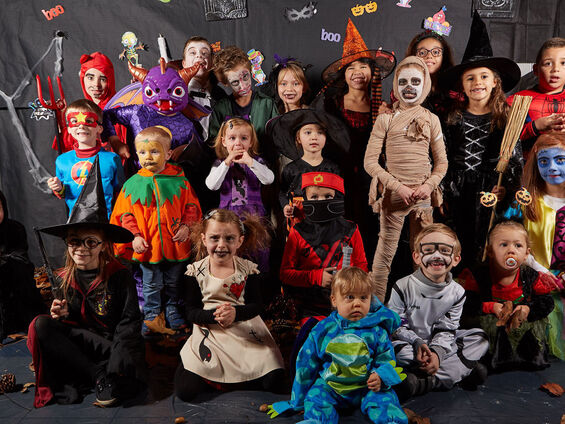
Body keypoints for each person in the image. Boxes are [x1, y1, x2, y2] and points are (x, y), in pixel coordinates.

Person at [27, 159, 145, 408]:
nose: (81, 249)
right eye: (74, 242)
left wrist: (118, 354)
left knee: (128, 375)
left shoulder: (119, 274)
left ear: (104, 245)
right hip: (82, 347)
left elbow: (129, 322)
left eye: (90, 242)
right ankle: (96, 375)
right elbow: (69, 328)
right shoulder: (63, 277)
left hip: (112, 344)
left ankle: (106, 373)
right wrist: (60, 315)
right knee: (41, 325)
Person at [267, 267, 407, 424]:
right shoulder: (323, 329)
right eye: (350, 297)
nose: (357, 304)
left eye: (363, 298)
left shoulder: (377, 330)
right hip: (331, 386)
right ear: (334, 300)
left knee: (385, 400)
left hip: (366, 386)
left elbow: (386, 358)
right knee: (316, 398)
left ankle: (391, 421)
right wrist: (298, 399)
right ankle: (317, 421)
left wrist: (380, 375)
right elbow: (306, 363)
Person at [174, 209, 284, 401]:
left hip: (244, 328)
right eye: (214, 238)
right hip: (209, 331)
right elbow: (190, 311)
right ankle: (220, 377)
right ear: (204, 239)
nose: (221, 245)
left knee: (276, 381)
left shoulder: (248, 270)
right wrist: (212, 316)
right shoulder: (195, 271)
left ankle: (240, 377)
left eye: (229, 239)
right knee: (186, 390)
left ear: (239, 241)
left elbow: (257, 305)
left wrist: (235, 313)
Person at [441, 11, 523, 269]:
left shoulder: (507, 118)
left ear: (495, 81)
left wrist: (506, 188)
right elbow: (441, 155)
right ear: (462, 86)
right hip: (457, 189)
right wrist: (441, 190)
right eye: (470, 78)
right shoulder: (452, 118)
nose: (477, 82)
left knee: (488, 246)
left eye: (484, 76)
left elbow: (514, 158)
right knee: (458, 243)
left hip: (491, 189)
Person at [364, 55, 448, 301]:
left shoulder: (431, 120)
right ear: (395, 86)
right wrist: (396, 186)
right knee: (383, 257)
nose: (409, 87)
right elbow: (370, 162)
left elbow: (441, 163)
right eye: (403, 82)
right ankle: (377, 310)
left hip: (422, 198)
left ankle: (420, 308)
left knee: (423, 252)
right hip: (393, 196)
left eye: (415, 81)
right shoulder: (385, 119)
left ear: (425, 85)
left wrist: (429, 186)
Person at [313, 19, 396, 260]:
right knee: (337, 228)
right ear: (343, 75)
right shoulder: (330, 104)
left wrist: (385, 122)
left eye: (363, 67)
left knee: (368, 228)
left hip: (369, 179)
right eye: (351, 68)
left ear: (373, 72)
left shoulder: (381, 108)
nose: (357, 73)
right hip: (337, 177)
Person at [110, 126, 202, 335]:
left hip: (175, 245)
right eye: (142, 152)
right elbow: (125, 215)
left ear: (168, 154)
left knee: (173, 281)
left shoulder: (180, 181)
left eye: (155, 151)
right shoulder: (133, 184)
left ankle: (172, 310)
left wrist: (187, 227)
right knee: (151, 284)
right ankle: (151, 315)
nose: (148, 157)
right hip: (148, 247)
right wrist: (134, 236)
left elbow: (192, 207)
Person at [387, 224, 489, 400]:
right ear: (417, 257)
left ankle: (426, 381)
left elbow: (448, 329)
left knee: (480, 338)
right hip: (410, 345)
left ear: (456, 259)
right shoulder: (402, 286)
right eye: (428, 250)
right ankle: (459, 370)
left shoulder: (457, 292)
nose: (436, 256)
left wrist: (436, 354)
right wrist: (418, 342)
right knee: (395, 352)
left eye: (444, 250)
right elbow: (396, 326)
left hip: (440, 345)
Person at [460, 220, 554, 371]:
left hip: (520, 321)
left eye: (518, 246)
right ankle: (493, 360)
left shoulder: (530, 275)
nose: (511, 251)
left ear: (526, 254)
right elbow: (467, 303)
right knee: (486, 326)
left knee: (533, 328)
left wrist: (528, 309)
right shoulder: (479, 275)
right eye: (504, 245)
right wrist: (490, 306)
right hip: (493, 324)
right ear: (490, 251)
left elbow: (547, 301)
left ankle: (525, 357)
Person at [504, 132, 565, 359]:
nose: (552, 167)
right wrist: (541, 271)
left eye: (560, 160)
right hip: (533, 278)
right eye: (544, 161)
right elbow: (511, 243)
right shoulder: (526, 201)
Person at [280, 172, 368, 319]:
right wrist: (316, 276)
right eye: (314, 197)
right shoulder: (298, 232)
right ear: (306, 199)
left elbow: (361, 265)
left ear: (337, 197)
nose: (321, 202)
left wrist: (350, 281)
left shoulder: (351, 229)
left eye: (328, 196)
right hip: (311, 308)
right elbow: (285, 274)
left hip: (348, 305)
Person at [266, 108, 347, 225]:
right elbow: (283, 193)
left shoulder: (332, 168)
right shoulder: (291, 169)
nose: (314, 137)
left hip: (326, 219)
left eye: (320, 132)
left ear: (326, 137)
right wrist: (286, 206)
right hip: (299, 218)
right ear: (298, 138)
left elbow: (340, 196)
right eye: (308, 132)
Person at [47, 99, 124, 217]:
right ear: (68, 128)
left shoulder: (112, 159)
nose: (81, 126)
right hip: (76, 222)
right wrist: (58, 188)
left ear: (100, 128)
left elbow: (122, 193)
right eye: (74, 121)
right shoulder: (62, 161)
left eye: (89, 121)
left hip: (106, 222)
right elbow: (64, 194)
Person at [208, 46, 279, 165]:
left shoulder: (267, 104)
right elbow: (214, 143)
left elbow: (277, 140)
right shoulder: (221, 108)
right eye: (235, 82)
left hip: (263, 168)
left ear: (250, 70)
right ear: (225, 83)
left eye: (245, 77)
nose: (243, 85)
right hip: (231, 171)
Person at [52, 52, 122, 153]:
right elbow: (70, 148)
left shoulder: (120, 109)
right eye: (90, 78)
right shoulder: (80, 111)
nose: (96, 84)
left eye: (103, 79)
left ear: (110, 81)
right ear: (82, 79)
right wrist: (62, 118)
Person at [206, 117, 274, 218]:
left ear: (250, 142)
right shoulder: (220, 163)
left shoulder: (256, 161)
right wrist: (227, 162)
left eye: (244, 138)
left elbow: (269, 179)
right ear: (224, 142)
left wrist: (250, 162)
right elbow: (212, 185)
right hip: (228, 215)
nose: (238, 143)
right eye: (232, 138)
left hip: (253, 215)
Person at [507, 37, 565, 155]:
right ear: (535, 69)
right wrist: (536, 126)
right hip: (528, 166)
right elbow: (506, 140)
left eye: (563, 63)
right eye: (548, 63)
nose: (555, 69)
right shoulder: (517, 100)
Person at [0, 190, 45, 341]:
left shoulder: (14, 229)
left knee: (21, 273)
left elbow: (20, 258)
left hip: (14, 279)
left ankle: (28, 324)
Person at [382, 31, 456, 118]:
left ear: (444, 56)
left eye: (436, 52)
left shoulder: (455, 88)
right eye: (422, 53)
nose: (429, 56)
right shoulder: (403, 87)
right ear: (413, 56)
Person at [182, 36, 228, 141]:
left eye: (204, 53)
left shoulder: (220, 95)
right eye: (192, 53)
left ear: (211, 62)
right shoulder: (176, 92)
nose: (199, 55)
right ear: (184, 63)